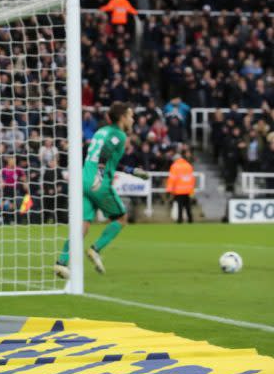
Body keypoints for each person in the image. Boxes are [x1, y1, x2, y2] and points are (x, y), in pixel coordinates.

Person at [54, 102, 149, 279]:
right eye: (130, 115)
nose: (132, 118)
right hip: (99, 183)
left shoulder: (101, 132)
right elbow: (105, 155)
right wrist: (99, 175)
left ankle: (61, 262)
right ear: (122, 118)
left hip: (84, 180)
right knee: (121, 218)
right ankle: (95, 249)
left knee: (83, 225)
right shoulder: (118, 135)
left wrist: (132, 171)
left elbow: (108, 158)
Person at [166, 150, 196, 223]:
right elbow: (192, 179)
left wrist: (169, 190)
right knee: (188, 206)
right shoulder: (188, 165)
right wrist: (192, 190)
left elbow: (172, 179)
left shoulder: (174, 166)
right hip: (188, 190)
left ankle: (180, 219)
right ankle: (190, 219)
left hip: (179, 190)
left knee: (180, 206)